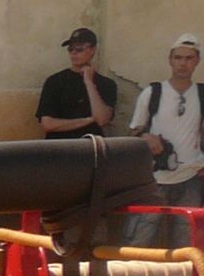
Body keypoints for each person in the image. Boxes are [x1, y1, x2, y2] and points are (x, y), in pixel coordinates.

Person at [126, 32, 204, 247]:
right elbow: (133, 132)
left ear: (197, 61)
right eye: (178, 57)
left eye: (189, 58)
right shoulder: (153, 93)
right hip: (154, 177)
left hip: (191, 177)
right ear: (170, 60)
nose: (183, 63)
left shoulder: (201, 94)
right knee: (140, 236)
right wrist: (146, 137)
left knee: (186, 242)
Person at [35, 27, 117, 141]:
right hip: (60, 145)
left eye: (79, 49)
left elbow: (102, 119)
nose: (74, 53)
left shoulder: (107, 84)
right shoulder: (55, 81)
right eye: (70, 49)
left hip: (91, 146)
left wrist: (89, 82)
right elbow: (48, 124)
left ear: (93, 50)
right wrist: (89, 120)